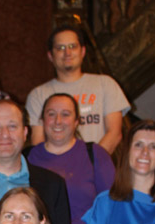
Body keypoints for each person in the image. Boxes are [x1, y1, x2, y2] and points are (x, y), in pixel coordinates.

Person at [27, 93, 115, 224]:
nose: (58, 121)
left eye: (65, 114)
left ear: (76, 121)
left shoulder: (95, 154)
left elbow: (113, 208)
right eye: (51, 114)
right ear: (42, 120)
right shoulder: (27, 158)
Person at [26, 23, 130, 153]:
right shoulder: (39, 95)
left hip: (97, 167)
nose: (67, 53)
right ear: (50, 56)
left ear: (83, 51)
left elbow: (114, 133)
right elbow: (38, 141)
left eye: (72, 46)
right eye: (60, 48)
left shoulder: (105, 84)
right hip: (56, 170)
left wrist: (90, 163)